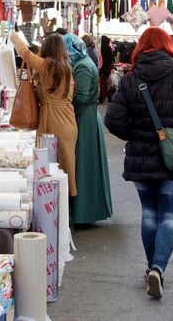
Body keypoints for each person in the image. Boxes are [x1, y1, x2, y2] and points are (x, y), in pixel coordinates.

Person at [105, 27, 173, 299]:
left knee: (150, 214)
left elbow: (113, 121)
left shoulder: (130, 80)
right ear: (168, 46)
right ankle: (158, 268)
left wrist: (136, 136)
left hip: (140, 158)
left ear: (140, 47)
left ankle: (152, 267)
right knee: (170, 215)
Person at [10, 31, 78, 197]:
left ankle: (54, 209)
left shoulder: (50, 66)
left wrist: (14, 37)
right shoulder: (65, 68)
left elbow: (25, 53)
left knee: (48, 167)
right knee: (64, 166)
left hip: (54, 120)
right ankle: (64, 211)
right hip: (67, 120)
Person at [63, 34, 112, 224]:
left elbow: (81, 96)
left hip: (85, 118)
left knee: (84, 164)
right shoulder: (84, 61)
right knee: (86, 163)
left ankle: (84, 212)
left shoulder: (82, 65)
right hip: (88, 116)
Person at [98, 35, 115, 104]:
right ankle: (110, 98)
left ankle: (101, 98)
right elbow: (111, 59)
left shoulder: (100, 48)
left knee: (103, 84)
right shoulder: (108, 48)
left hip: (102, 68)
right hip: (108, 68)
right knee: (110, 83)